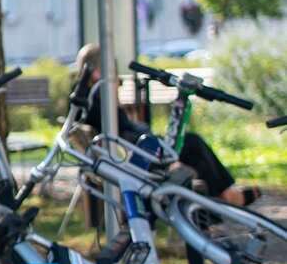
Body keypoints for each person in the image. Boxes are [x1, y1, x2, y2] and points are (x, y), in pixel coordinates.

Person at [72, 43, 258, 207]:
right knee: (192, 143)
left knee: (192, 152)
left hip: (131, 153)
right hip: (138, 156)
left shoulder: (85, 97)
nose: (113, 74)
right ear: (96, 70)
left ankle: (223, 197)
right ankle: (226, 196)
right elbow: (121, 128)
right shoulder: (96, 98)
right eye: (108, 68)